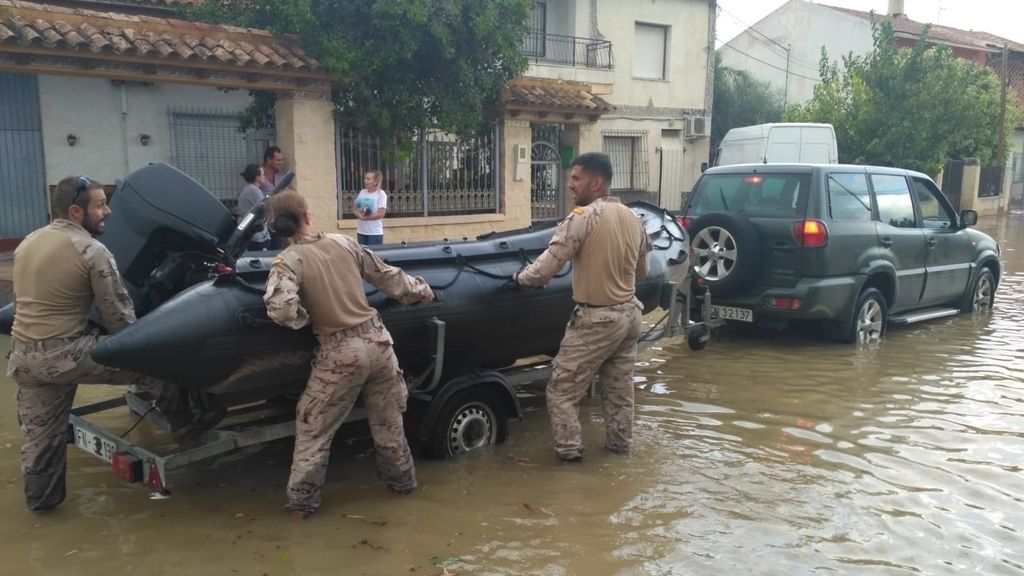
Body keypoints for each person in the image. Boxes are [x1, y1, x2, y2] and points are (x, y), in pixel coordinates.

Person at [5, 176, 207, 512]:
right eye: (100, 205)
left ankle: (42, 507)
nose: (108, 211)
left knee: (41, 440)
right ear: (75, 211)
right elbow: (122, 325)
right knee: (155, 364)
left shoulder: (28, 242)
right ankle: (191, 433)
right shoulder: (92, 251)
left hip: (24, 358)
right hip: (65, 355)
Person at [263, 190, 435, 518]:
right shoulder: (344, 243)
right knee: (389, 425)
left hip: (340, 353)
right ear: (308, 216)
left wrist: (305, 319)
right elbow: (389, 277)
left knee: (313, 429)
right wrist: (423, 291)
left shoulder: (289, 261)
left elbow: (282, 309)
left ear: (279, 227)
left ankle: (301, 506)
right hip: (380, 343)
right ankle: (403, 487)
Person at [509, 153, 652, 462]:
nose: (570, 184)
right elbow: (643, 272)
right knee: (619, 393)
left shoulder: (582, 218)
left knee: (561, 391)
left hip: (597, 318)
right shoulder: (634, 219)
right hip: (630, 315)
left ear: (596, 182)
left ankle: (570, 460)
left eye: (576, 178)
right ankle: (619, 453)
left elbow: (543, 271)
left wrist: (518, 278)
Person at [236, 164, 271, 251]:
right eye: (263, 174)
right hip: (257, 236)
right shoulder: (254, 191)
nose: (265, 176)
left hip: (251, 233)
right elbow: (265, 208)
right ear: (257, 177)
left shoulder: (247, 188)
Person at [259, 147, 287, 249]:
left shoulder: (282, 176)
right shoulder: (258, 174)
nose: (281, 163)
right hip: (263, 220)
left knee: (277, 249)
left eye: (282, 160)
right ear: (268, 160)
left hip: (278, 218)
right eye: (278, 160)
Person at [352, 170, 388, 245]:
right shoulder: (362, 192)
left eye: (368, 179)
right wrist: (358, 214)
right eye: (365, 178)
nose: (365, 181)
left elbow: (381, 214)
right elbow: (354, 208)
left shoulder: (381, 194)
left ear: (375, 182)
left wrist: (366, 218)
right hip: (361, 232)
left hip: (374, 233)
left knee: (373, 252)